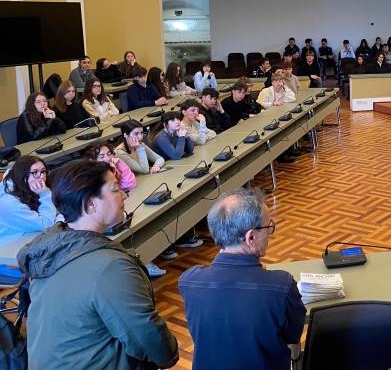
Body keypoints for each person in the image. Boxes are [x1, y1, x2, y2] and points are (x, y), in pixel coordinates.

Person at [18, 160, 178, 369]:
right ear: (90, 203)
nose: (124, 195)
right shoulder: (112, 268)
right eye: (115, 189)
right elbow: (152, 341)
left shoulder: (50, 249)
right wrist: (170, 354)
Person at [179, 187, 306, 370]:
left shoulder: (188, 281)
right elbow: (293, 336)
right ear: (251, 237)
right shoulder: (281, 286)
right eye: (268, 227)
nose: (270, 234)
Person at [0, 156, 57, 281]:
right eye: (35, 173)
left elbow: (56, 211)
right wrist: (45, 195)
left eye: (43, 171)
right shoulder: (10, 204)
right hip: (6, 260)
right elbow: (46, 223)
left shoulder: (22, 188)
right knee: (54, 266)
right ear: (22, 175)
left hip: (25, 244)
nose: (41, 176)